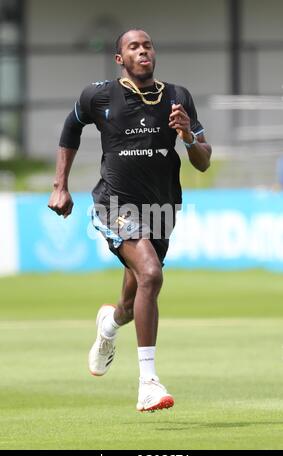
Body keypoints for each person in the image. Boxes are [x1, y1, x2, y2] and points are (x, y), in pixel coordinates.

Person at [48, 29, 212, 412]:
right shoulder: (99, 95)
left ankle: (109, 325)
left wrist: (188, 134)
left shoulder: (178, 97)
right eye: (134, 47)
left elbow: (203, 161)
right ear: (120, 59)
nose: (143, 51)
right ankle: (148, 383)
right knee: (151, 274)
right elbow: (71, 128)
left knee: (132, 295)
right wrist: (60, 186)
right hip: (115, 204)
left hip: (162, 208)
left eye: (148, 45)